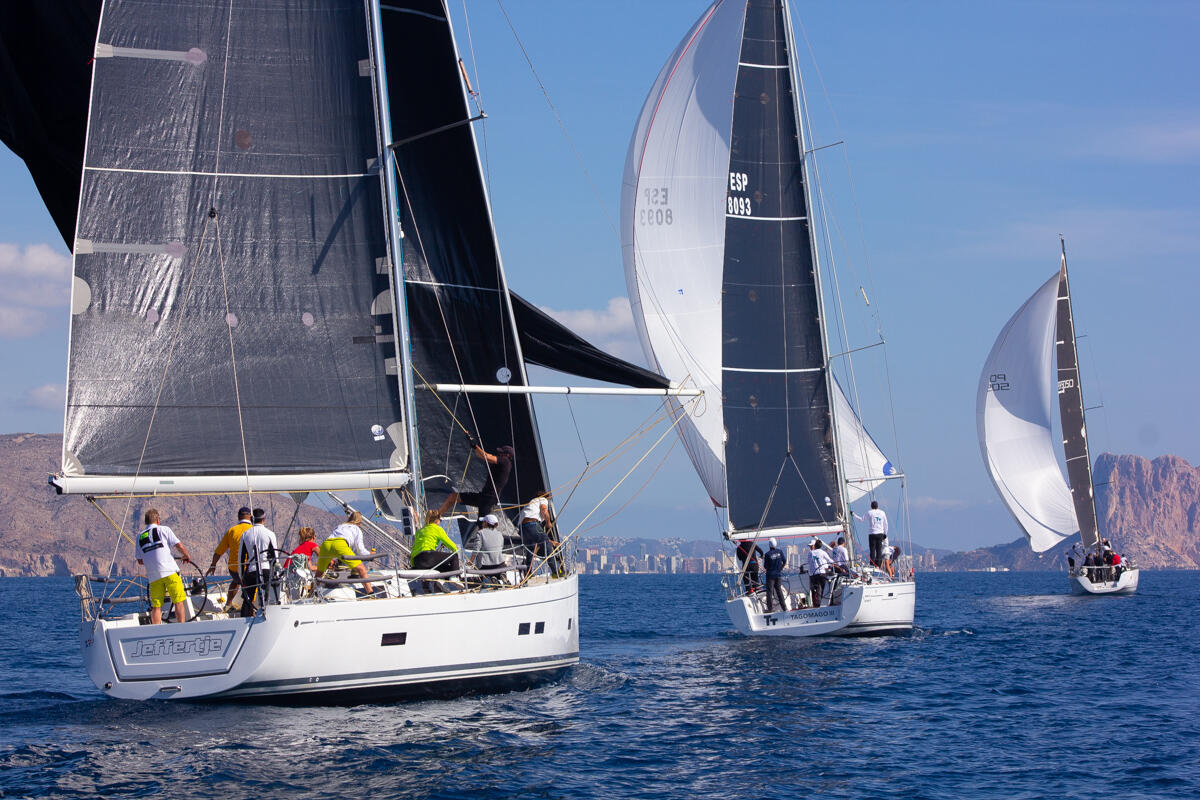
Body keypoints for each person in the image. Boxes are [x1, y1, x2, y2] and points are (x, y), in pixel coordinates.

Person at [136, 508, 193, 625]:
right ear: (157, 520)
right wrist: (186, 555)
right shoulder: (164, 530)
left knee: (156, 606)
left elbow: (140, 561)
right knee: (178, 601)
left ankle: (156, 629)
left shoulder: (139, 537)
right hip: (170, 572)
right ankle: (181, 626)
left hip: (153, 577)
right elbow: (179, 545)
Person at [440, 443, 516, 518]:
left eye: (501, 453)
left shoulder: (505, 462)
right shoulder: (502, 462)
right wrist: (473, 445)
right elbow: (483, 455)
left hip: (489, 500)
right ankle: (437, 516)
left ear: (507, 455)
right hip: (483, 497)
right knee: (453, 497)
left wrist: (475, 446)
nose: (499, 454)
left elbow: (485, 456)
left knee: (481, 525)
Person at [206, 506, 252, 612]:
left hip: (234, 569)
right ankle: (249, 608)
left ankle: (228, 605)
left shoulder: (232, 531)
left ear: (238, 517)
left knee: (235, 582)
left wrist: (213, 565)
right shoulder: (253, 530)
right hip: (248, 568)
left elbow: (219, 551)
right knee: (251, 584)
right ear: (250, 517)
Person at [316, 511, 374, 594]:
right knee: (362, 570)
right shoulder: (357, 529)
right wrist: (370, 555)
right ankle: (371, 594)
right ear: (360, 522)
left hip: (326, 544)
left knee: (319, 574)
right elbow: (360, 550)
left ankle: (310, 595)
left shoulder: (340, 526)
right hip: (340, 544)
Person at [238, 508, 279, 617]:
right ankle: (269, 616)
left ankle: (244, 620)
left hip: (250, 571)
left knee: (248, 599)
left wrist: (241, 575)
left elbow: (241, 557)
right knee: (269, 597)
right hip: (266, 570)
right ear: (264, 519)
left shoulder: (245, 534)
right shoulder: (270, 534)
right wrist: (276, 573)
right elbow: (275, 556)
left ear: (252, 519)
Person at [519, 491, 554, 576]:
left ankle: (528, 574)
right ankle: (556, 571)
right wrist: (549, 523)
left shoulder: (531, 503)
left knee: (531, 549)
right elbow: (544, 510)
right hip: (533, 524)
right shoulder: (543, 499)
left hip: (522, 528)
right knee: (547, 544)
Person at [853, 501, 889, 567]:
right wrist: (885, 534)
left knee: (872, 550)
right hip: (880, 533)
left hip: (872, 534)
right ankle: (878, 565)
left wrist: (853, 514)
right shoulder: (882, 513)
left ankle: (872, 565)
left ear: (871, 506)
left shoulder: (869, 512)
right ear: (877, 506)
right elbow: (886, 524)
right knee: (879, 550)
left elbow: (861, 519)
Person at [807, 539, 834, 608]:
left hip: (813, 574)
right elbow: (830, 561)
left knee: (817, 589)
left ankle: (817, 604)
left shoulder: (810, 553)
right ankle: (827, 603)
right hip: (822, 573)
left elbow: (810, 563)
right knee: (824, 588)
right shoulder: (822, 552)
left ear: (815, 545)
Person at [762, 537, 786, 613]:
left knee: (769, 592)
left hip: (770, 576)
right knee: (779, 591)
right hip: (778, 575)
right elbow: (784, 561)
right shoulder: (780, 552)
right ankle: (784, 608)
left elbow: (765, 566)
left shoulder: (767, 554)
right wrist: (780, 568)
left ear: (769, 545)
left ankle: (770, 609)